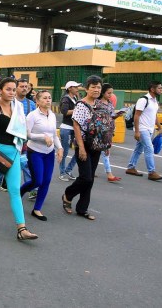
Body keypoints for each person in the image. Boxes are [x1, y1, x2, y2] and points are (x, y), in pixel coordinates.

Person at [0, 77, 38, 240]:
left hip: (14, 152)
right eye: (8, 89)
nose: (12, 92)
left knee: (15, 190)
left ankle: (21, 228)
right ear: (1, 90)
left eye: (13, 89)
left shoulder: (17, 107)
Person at [62, 75, 105, 221]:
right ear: (87, 89)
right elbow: (76, 126)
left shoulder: (100, 104)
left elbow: (104, 125)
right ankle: (68, 194)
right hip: (84, 143)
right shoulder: (81, 105)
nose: (96, 89)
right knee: (86, 177)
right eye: (93, 87)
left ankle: (82, 208)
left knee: (90, 178)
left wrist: (106, 143)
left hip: (97, 145)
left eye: (98, 87)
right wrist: (80, 147)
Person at [20, 90, 63, 221]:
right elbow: (27, 134)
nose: (48, 100)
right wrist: (43, 136)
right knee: (37, 181)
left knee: (46, 181)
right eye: (44, 98)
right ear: (37, 101)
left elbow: (54, 135)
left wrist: (60, 148)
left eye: (49, 98)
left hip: (48, 153)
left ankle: (37, 209)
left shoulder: (52, 115)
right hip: (35, 151)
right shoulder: (32, 116)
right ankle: (19, 193)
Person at [0, 79, 37, 194]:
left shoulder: (31, 104)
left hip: (24, 138)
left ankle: (31, 188)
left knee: (25, 163)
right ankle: (2, 180)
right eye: (21, 86)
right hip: (9, 138)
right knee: (6, 162)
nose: (24, 88)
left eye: (26, 86)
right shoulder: (9, 102)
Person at [126, 80, 162, 181]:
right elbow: (136, 116)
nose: (161, 90)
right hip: (142, 129)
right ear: (152, 89)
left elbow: (154, 116)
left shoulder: (155, 101)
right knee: (149, 148)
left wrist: (160, 128)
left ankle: (131, 167)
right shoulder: (143, 100)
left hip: (150, 129)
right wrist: (137, 131)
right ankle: (151, 172)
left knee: (139, 149)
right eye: (159, 88)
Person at [98, 83, 123, 182]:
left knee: (104, 152)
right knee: (105, 152)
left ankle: (96, 171)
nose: (110, 95)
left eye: (112, 93)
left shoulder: (110, 103)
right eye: (109, 93)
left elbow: (111, 116)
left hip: (109, 130)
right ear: (103, 92)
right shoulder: (98, 103)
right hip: (100, 131)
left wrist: (117, 115)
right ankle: (109, 174)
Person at [58, 81, 81, 181]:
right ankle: (62, 173)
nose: (77, 89)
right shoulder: (66, 98)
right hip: (66, 128)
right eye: (75, 87)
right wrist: (77, 109)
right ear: (70, 88)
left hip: (75, 128)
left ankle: (69, 169)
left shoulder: (75, 98)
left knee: (79, 151)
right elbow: (64, 111)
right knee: (65, 151)